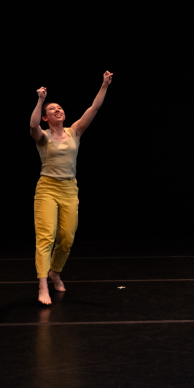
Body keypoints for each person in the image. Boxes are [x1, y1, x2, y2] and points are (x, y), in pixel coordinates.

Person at [29, 71, 114, 305]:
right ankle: (43, 283)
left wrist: (104, 85)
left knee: (66, 238)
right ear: (47, 118)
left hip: (69, 189)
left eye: (59, 108)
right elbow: (32, 124)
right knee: (46, 236)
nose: (58, 110)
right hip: (47, 188)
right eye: (52, 109)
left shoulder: (74, 131)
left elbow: (93, 109)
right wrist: (40, 100)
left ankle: (55, 271)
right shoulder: (42, 136)